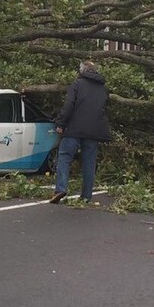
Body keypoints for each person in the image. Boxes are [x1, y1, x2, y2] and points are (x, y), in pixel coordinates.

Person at [50, 60, 112, 204]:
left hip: (74, 128)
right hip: (94, 130)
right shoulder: (103, 88)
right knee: (89, 162)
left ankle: (61, 189)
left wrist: (60, 123)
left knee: (64, 157)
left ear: (83, 70)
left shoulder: (77, 84)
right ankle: (86, 196)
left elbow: (69, 105)